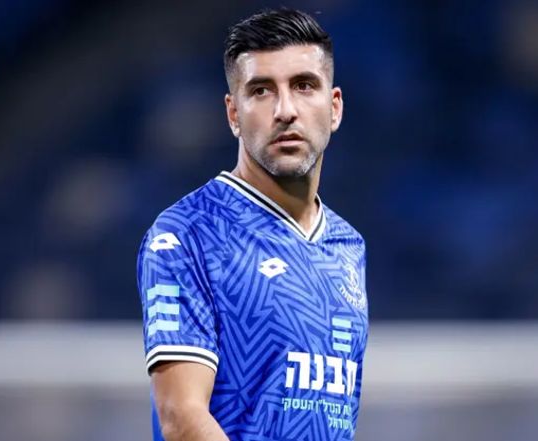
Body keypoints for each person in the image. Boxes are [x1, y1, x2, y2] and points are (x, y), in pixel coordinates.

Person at [136, 8, 369, 441]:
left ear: (334, 107)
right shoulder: (186, 235)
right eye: (261, 91)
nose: (285, 110)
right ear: (233, 115)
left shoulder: (347, 246)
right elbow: (181, 419)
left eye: (304, 86)